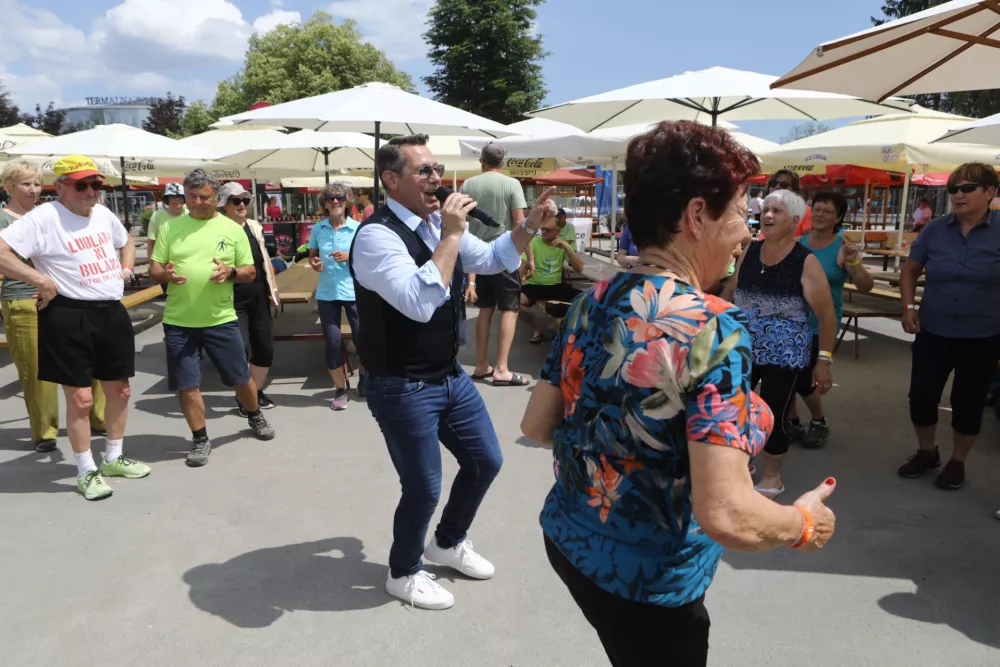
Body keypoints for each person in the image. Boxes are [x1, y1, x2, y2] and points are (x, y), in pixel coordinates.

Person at [520, 121, 836, 667]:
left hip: (570, 541)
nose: (746, 233)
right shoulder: (714, 327)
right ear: (696, 215)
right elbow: (728, 515)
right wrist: (804, 524)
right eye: (739, 214)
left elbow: (537, 425)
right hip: (650, 582)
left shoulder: (593, 301)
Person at [349, 134, 556, 610]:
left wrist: (529, 226)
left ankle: (447, 542)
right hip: (400, 382)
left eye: (437, 169)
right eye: (423, 170)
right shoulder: (377, 236)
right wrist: (450, 235)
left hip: (448, 375)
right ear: (391, 179)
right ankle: (403, 572)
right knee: (423, 487)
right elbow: (420, 302)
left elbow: (495, 258)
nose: (436, 178)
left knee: (486, 461)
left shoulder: (436, 225)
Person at [0, 155, 150, 500]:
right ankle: (85, 469)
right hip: (68, 314)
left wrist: (127, 270)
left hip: (110, 311)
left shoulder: (102, 213)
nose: (91, 191)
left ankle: (113, 457)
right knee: (81, 399)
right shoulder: (45, 216)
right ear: (61, 186)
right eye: (82, 185)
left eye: (96, 184)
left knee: (120, 390)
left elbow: (126, 240)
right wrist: (40, 279)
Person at [149, 169, 276, 468]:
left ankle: (254, 413)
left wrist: (230, 272)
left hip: (220, 319)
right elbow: (154, 269)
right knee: (186, 384)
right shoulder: (170, 227)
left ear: (216, 197)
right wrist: (164, 275)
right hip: (179, 321)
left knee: (240, 378)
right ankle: (200, 438)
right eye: (191, 196)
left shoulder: (232, 229)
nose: (197, 202)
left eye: (204, 197)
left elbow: (250, 272)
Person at [722, 189, 837, 499]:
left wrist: (824, 361)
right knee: (733, 407)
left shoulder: (805, 261)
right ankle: (741, 463)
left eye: (777, 211)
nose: (768, 215)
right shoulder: (750, 250)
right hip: (743, 347)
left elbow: (827, 316)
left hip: (784, 353)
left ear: (795, 221)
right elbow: (730, 291)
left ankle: (772, 476)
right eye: (766, 209)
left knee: (774, 412)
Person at [898, 162, 1000, 491]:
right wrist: (908, 307)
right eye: (953, 189)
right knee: (921, 396)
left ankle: (958, 461)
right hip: (933, 330)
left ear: (989, 192)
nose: (958, 195)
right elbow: (910, 270)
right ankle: (927, 452)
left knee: (968, 403)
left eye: (967, 188)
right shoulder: (935, 229)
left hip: (983, 335)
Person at [0, 160, 108, 453]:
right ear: (8, 186)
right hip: (24, 298)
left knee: (87, 359)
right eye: (26, 184)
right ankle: (45, 430)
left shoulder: (51, 214)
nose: (33, 190)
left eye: (37, 184)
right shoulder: (4, 219)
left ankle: (98, 416)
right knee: (36, 370)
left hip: (67, 298)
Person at [786, 191, 874, 448]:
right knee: (785, 373)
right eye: (817, 209)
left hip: (822, 324)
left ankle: (818, 421)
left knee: (804, 379)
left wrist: (854, 262)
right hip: (792, 321)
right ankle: (791, 420)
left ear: (838, 217)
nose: (820, 215)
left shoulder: (842, 248)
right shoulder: (798, 243)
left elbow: (866, 286)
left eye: (827, 211)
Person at [461, 143, 530, 387]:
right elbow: (521, 223)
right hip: (504, 255)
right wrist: (529, 257)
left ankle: (481, 364)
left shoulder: (468, 184)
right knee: (510, 310)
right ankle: (502, 368)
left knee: (485, 310)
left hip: (477, 255)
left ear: (482, 161)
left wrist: (470, 278)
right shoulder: (512, 184)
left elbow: (463, 222)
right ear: (503, 163)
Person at [219, 182, 280, 412]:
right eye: (236, 200)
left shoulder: (254, 226)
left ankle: (255, 392)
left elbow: (264, 258)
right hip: (232, 298)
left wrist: (274, 289)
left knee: (265, 347)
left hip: (259, 295)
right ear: (224, 205)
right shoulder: (218, 229)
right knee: (240, 349)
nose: (242, 204)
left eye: (245, 200)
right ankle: (245, 397)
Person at [309, 181, 364, 410]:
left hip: (354, 291)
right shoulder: (318, 229)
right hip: (327, 292)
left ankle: (365, 378)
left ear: (347, 201)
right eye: (330, 198)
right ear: (324, 202)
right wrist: (315, 262)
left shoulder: (358, 228)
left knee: (362, 339)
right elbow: (312, 255)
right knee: (332, 342)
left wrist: (350, 256)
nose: (334, 201)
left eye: (339, 197)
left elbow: (369, 257)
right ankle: (340, 389)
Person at [518, 219, 584, 344]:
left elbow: (579, 268)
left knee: (585, 298)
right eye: (542, 229)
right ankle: (537, 329)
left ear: (557, 231)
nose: (544, 232)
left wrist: (567, 249)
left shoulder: (562, 245)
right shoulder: (533, 243)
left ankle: (558, 325)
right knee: (515, 301)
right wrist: (527, 266)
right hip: (535, 285)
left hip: (556, 286)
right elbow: (521, 270)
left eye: (548, 230)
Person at [767, 169, 813, 236]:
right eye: (773, 183)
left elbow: (810, 239)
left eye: (784, 184)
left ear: (794, 190)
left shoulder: (805, 211)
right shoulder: (767, 210)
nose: (777, 187)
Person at [147, 182, 186, 260]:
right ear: (167, 199)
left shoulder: (189, 214)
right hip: (162, 260)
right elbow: (151, 242)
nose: (177, 200)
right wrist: (152, 263)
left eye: (180, 196)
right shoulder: (157, 216)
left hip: (185, 260)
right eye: (173, 197)